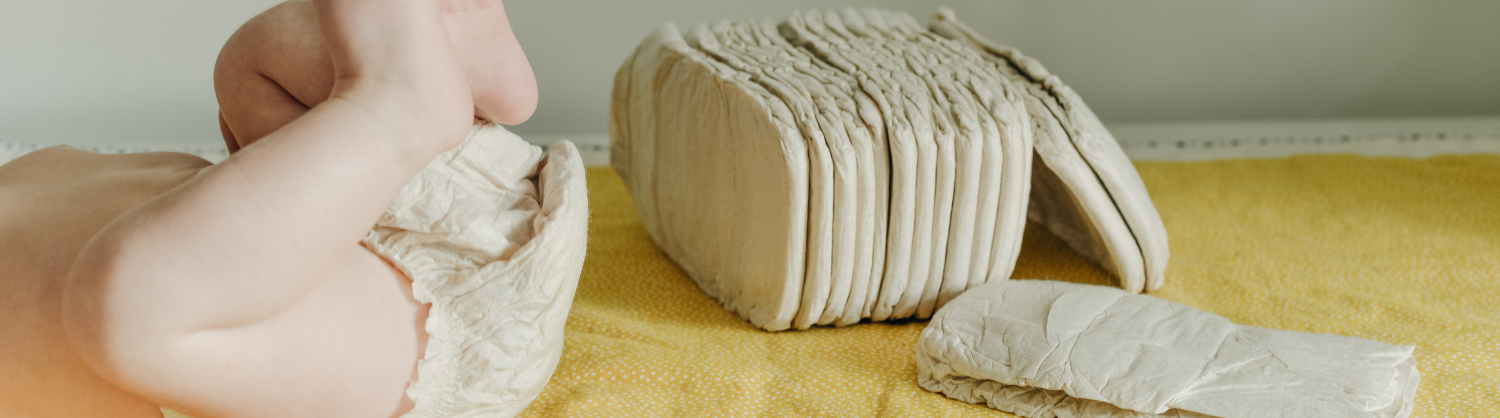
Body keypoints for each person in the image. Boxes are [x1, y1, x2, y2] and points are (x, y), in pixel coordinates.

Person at [0, 0, 537, 416]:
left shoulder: (26, 181)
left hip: (384, 200)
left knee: (248, 66)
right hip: (424, 335)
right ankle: (400, 102)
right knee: (128, 303)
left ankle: (453, 44)